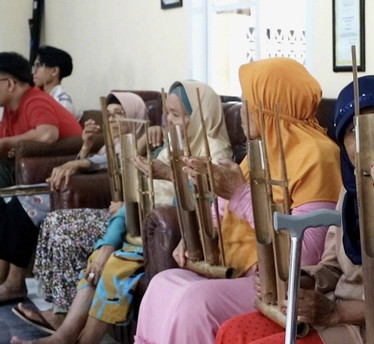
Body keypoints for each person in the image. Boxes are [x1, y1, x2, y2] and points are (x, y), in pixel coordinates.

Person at [215, 75, 374, 343]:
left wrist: (336, 312)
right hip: (336, 316)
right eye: (356, 131)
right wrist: (302, 282)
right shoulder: (352, 190)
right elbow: (332, 266)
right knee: (232, 332)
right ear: (343, 142)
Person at [133, 58, 342, 344]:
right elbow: (223, 210)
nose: (241, 112)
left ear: (273, 104)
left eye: (250, 102)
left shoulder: (318, 155)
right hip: (230, 268)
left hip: (269, 281)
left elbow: (306, 254)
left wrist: (241, 194)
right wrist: (200, 236)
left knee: (195, 303)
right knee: (161, 284)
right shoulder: (261, 149)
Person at [11, 81, 233, 344]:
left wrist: (168, 174)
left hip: (163, 234)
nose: (168, 122)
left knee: (115, 264)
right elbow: (138, 194)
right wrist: (109, 241)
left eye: (177, 115)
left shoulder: (217, 156)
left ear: (201, 117)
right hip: (140, 225)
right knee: (99, 255)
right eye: (167, 114)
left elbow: (204, 206)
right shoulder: (173, 147)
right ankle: (64, 334)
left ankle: (79, 339)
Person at [5, 92, 146, 331]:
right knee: (52, 221)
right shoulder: (111, 145)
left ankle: (61, 314)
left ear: (136, 116)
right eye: (109, 115)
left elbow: (113, 166)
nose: (112, 121)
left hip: (121, 219)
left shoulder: (140, 143)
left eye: (119, 115)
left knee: (63, 230)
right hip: (111, 213)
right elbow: (95, 162)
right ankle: (54, 306)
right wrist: (85, 148)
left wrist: (80, 162)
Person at [0, 51, 82, 188]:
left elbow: (48, 134)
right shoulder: (10, 109)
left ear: (10, 84)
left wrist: (5, 143)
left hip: (65, 168)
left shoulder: (36, 100)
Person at [32, 46, 83, 120]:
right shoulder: (39, 96)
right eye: (34, 67)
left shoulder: (62, 101)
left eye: (38, 66)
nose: (33, 72)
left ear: (54, 71)